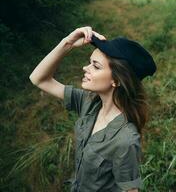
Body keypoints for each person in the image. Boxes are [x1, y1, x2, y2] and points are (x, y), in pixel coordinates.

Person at [29, 26, 157, 191]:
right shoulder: (89, 102)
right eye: (90, 63)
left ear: (117, 81)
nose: (85, 68)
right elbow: (38, 79)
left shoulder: (125, 140)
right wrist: (67, 43)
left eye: (96, 66)